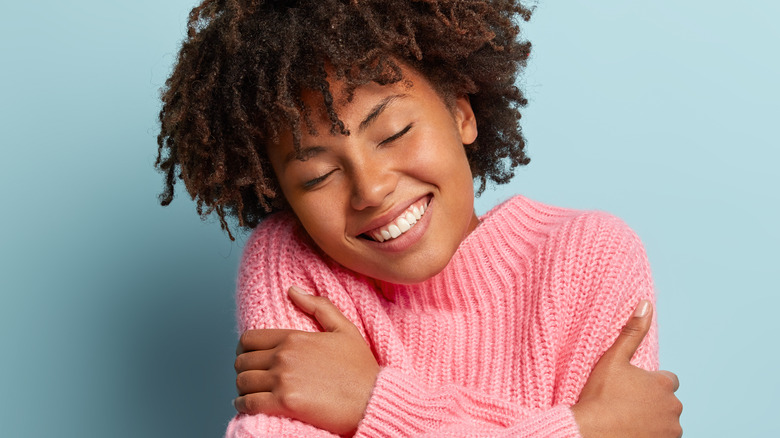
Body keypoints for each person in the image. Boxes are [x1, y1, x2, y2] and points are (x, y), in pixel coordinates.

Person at [156, 0, 682, 436]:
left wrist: (371, 401)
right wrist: (580, 430)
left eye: (392, 134)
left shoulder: (588, 257)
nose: (371, 189)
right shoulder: (293, 263)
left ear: (461, 113)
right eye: (317, 176)